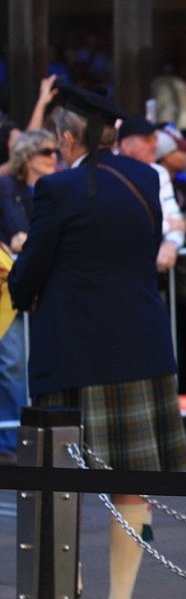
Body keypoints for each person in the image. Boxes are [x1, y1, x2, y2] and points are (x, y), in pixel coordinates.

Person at [8, 83, 186, 599]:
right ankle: (120, 596)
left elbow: (29, 276)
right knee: (130, 482)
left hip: (76, 351)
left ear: (68, 139)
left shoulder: (57, 189)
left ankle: (71, 588)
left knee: (63, 482)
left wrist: (21, 281)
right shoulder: (147, 178)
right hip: (141, 346)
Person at [0, 129, 58, 465]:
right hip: (9, 286)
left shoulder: (57, 187)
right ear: (26, 155)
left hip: (45, 286)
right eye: (45, 152)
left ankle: (34, 436)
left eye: (54, 151)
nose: (53, 157)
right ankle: (12, 438)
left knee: (35, 362)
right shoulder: (7, 188)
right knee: (12, 364)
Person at [118, 114, 186, 272]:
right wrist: (167, 225)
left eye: (155, 138)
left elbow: (177, 220)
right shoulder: (110, 171)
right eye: (148, 140)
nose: (155, 145)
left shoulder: (160, 172)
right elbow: (125, 225)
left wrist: (171, 244)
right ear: (126, 145)